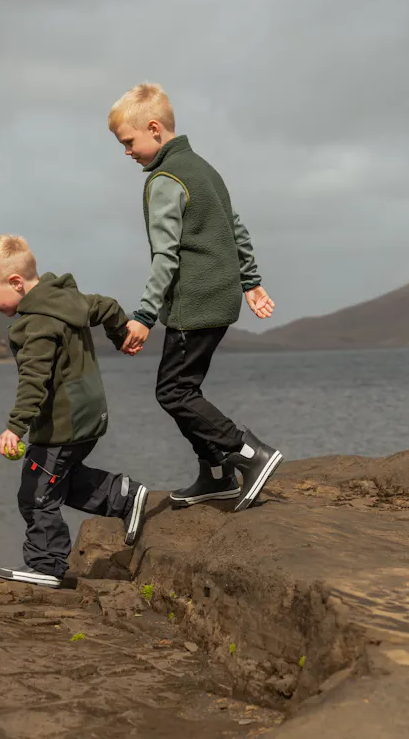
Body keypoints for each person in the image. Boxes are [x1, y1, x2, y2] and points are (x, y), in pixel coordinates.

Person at [108, 82, 283, 512]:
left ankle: (248, 453)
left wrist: (144, 317)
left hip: (194, 303)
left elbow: (166, 258)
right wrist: (251, 281)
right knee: (185, 388)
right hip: (220, 299)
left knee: (174, 392)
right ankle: (216, 475)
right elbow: (234, 226)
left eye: (129, 142)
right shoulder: (204, 169)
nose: (127, 151)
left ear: (153, 129)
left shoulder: (166, 180)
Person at [0, 234, 148, 588]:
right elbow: (109, 306)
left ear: (16, 283)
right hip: (90, 415)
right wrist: (120, 335)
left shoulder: (35, 324)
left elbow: (34, 381)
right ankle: (122, 495)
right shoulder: (70, 299)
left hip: (62, 423)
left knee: (35, 494)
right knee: (58, 480)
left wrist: (14, 427)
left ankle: (46, 565)